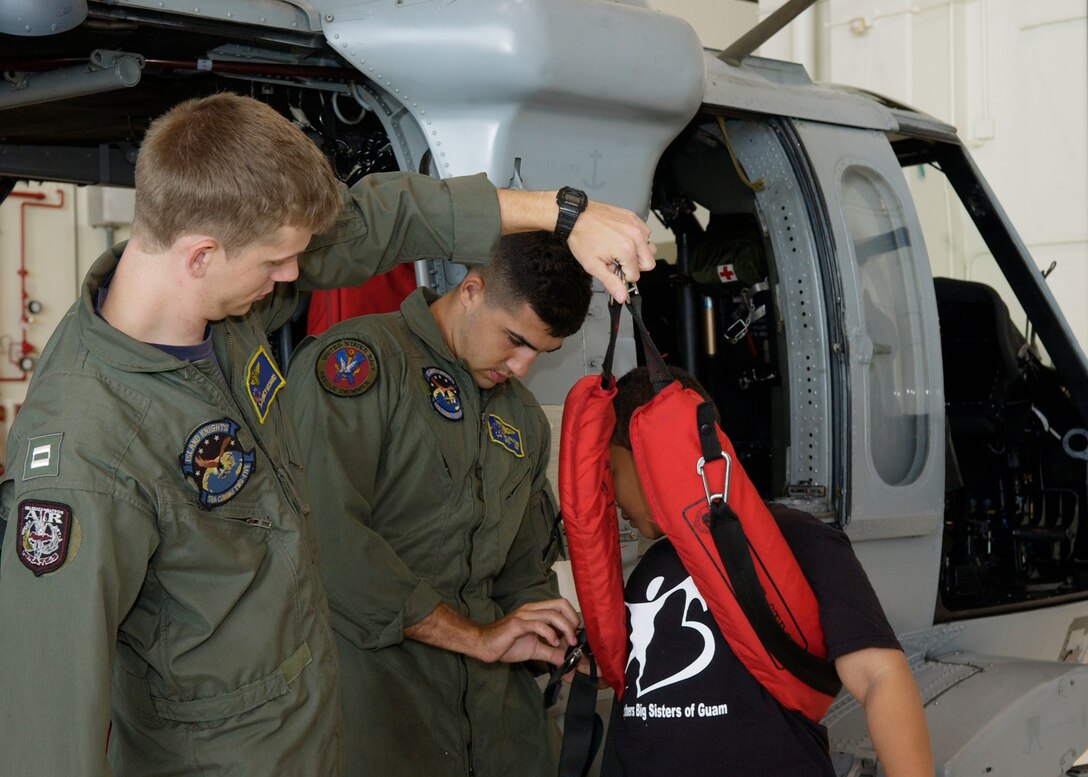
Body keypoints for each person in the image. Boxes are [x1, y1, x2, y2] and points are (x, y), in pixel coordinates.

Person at [0, 92, 655, 777]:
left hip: (313, 736)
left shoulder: (221, 319)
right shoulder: (86, 451)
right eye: (276, 262)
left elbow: (375, 221)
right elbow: (45, 727)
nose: (295, 276)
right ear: (201, 255)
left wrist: (562, 214)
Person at [283, 231, 592, 777]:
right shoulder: (361, 365)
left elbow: (524, 571)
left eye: (540, 353)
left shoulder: (521, 418)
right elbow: (325, 541)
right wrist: (475, 638)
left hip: (498, 725)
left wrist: (555, 645)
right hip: (378, 708)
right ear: (471, 290)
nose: (522, 367)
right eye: (514, 340)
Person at [606, 366, 934, 777]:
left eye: (611, 470)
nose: (610, 493)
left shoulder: (796, 539)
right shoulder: (648, 568)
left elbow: (880, 676)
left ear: (650, 454)